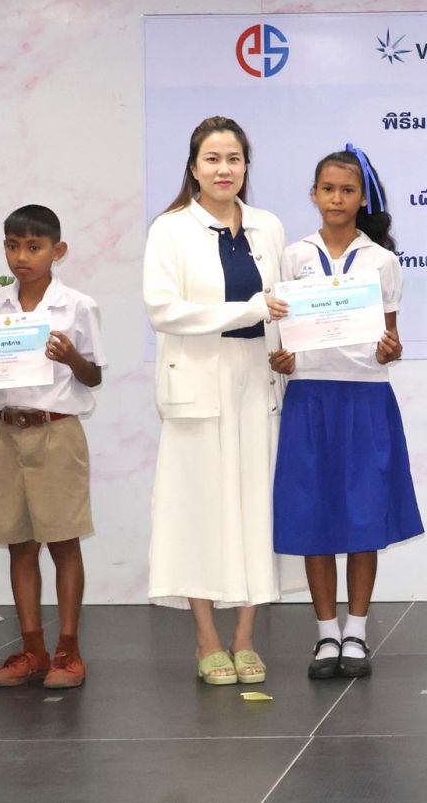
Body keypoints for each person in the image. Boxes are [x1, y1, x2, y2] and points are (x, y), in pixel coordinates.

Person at [143, 116, 287, 686]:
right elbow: (163, 310)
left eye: (234, 159)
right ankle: (207, 639)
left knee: (255, 508)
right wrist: (248, 310)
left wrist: (287, 347)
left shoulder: (268, 226)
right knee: (198, 511)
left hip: (257, 378)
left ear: (246, 166)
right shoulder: (171, 229)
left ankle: (245, 638)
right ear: (193, 167)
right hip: (198, 382)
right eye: (213, 159)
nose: (224, 169)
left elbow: (283, 304)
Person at [0, 205, 106, 690]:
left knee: (65, 542)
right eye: (13, 246)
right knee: (19, 544)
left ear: (58, 250)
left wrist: (70, 356)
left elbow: (94, 376)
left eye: (34, 247)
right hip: (5, 432)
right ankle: (32, 649)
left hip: (57, 431)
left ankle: (68, 650)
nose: (21, 257)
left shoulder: (78, 306)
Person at [272, 146, 423, 680]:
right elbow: (282, 334)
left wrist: (389, 350)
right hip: (309, 396)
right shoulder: (293, 256)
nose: (337, 199)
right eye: (328, 189)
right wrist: (283, 358)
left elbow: (391, 340)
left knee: (363, 515)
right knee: (312, 514)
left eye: (348, 190)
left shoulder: (382, 260)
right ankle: (325, 634)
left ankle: (355, 631)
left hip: (364, 397)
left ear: (363, 199)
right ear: (314, 195)